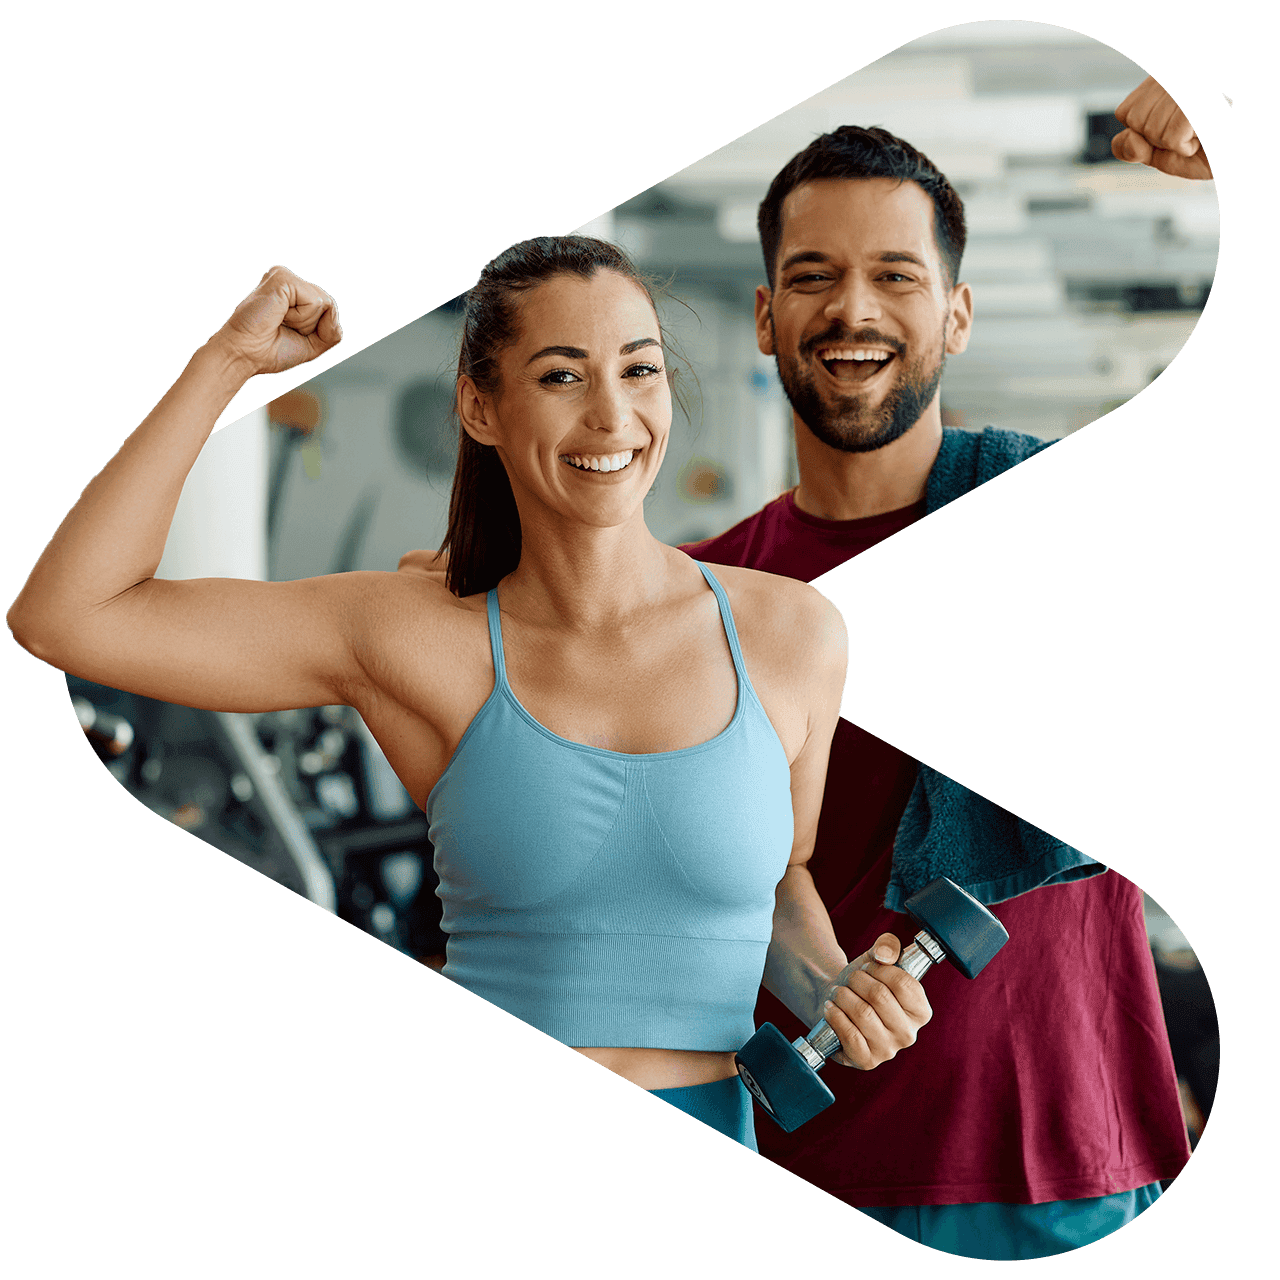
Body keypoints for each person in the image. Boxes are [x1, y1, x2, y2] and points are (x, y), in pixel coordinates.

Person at [7, 237, 934, 1153]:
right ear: (480, 407)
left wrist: (832, 988)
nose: (613, 416)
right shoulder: (410, 634)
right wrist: (225, 366)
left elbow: (777, 881)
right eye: (562, 377)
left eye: (640, 371)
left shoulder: (794, 634)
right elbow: (68, 618)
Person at [679, 78, 1205, 1258]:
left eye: (894, 275)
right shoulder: (704, 588)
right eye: (811, 276)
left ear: (956, 315)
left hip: (1061, 1163)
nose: (849, 308)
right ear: (763, 314)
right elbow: (721, 848)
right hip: (801, 1153)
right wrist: (818, 981)